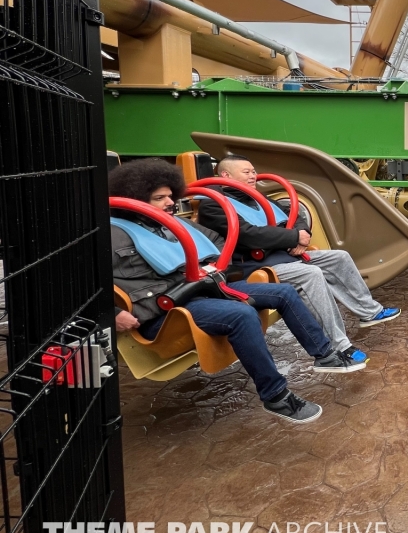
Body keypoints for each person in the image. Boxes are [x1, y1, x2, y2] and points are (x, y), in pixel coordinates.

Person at [109, 159, 361, 425]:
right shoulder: (113, 236)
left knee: (284, 292)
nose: (170, 203)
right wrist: (112, 313)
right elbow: (84, 286)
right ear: (135, 199)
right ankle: (276, 396)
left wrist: (210, 266)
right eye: (159, 198)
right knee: (241, 315)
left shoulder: (172, 224)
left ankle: (325, 355)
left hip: (205, 289)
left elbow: (217, 241)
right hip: (169, 310)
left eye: (170, 196)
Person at [197, 155, 400, 363]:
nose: (253, 176)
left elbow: (292, 214)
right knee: (311, 274)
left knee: (339, 257)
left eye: (254, 171)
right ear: (226, 175)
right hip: (254, 266)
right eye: (246, 172)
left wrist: (302, 235)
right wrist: (293, 237)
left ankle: (369, 311)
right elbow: (248, 235)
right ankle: (339, 346)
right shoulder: (213, 205)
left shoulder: (257, 198)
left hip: (282, 255)